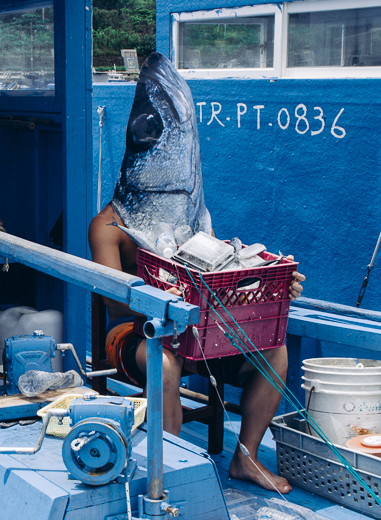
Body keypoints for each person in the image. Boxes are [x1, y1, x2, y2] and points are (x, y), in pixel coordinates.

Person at [88, 201, 305, 493]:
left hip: (195, 332)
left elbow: (214, 276)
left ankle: (246, 458)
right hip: (133, 330)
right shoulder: (106, 225)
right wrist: (162, 301)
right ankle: (166, 470)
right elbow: (113, 300)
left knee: (274, 350)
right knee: (164, 362)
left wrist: (274, 281)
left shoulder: (191, 212)